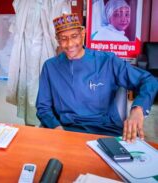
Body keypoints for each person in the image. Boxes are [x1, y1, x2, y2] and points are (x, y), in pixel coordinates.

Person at [36, 13, 158, 142]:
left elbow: (149, 80)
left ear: (83, 33)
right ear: (57, 39)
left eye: (74, 36)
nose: (70, 44)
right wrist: (57, 128)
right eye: (63, 38)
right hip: (67, 130)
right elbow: (43, 108)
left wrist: (138, 109)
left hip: (106, 131)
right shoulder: (50, 67)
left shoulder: (107, 61)